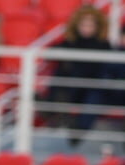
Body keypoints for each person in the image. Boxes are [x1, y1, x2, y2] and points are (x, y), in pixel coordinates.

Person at [45, 5, 111, 145]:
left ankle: (73, 125)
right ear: (77, 25)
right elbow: (51, 52)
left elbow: (104, 71)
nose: (86, 28)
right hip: (71, 88)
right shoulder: (70, 42)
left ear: (97, 26)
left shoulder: (104, 45)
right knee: (60, 75)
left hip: (91, 90)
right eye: (83, 24)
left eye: (90, 24)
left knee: (95, 94)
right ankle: (54, 112)